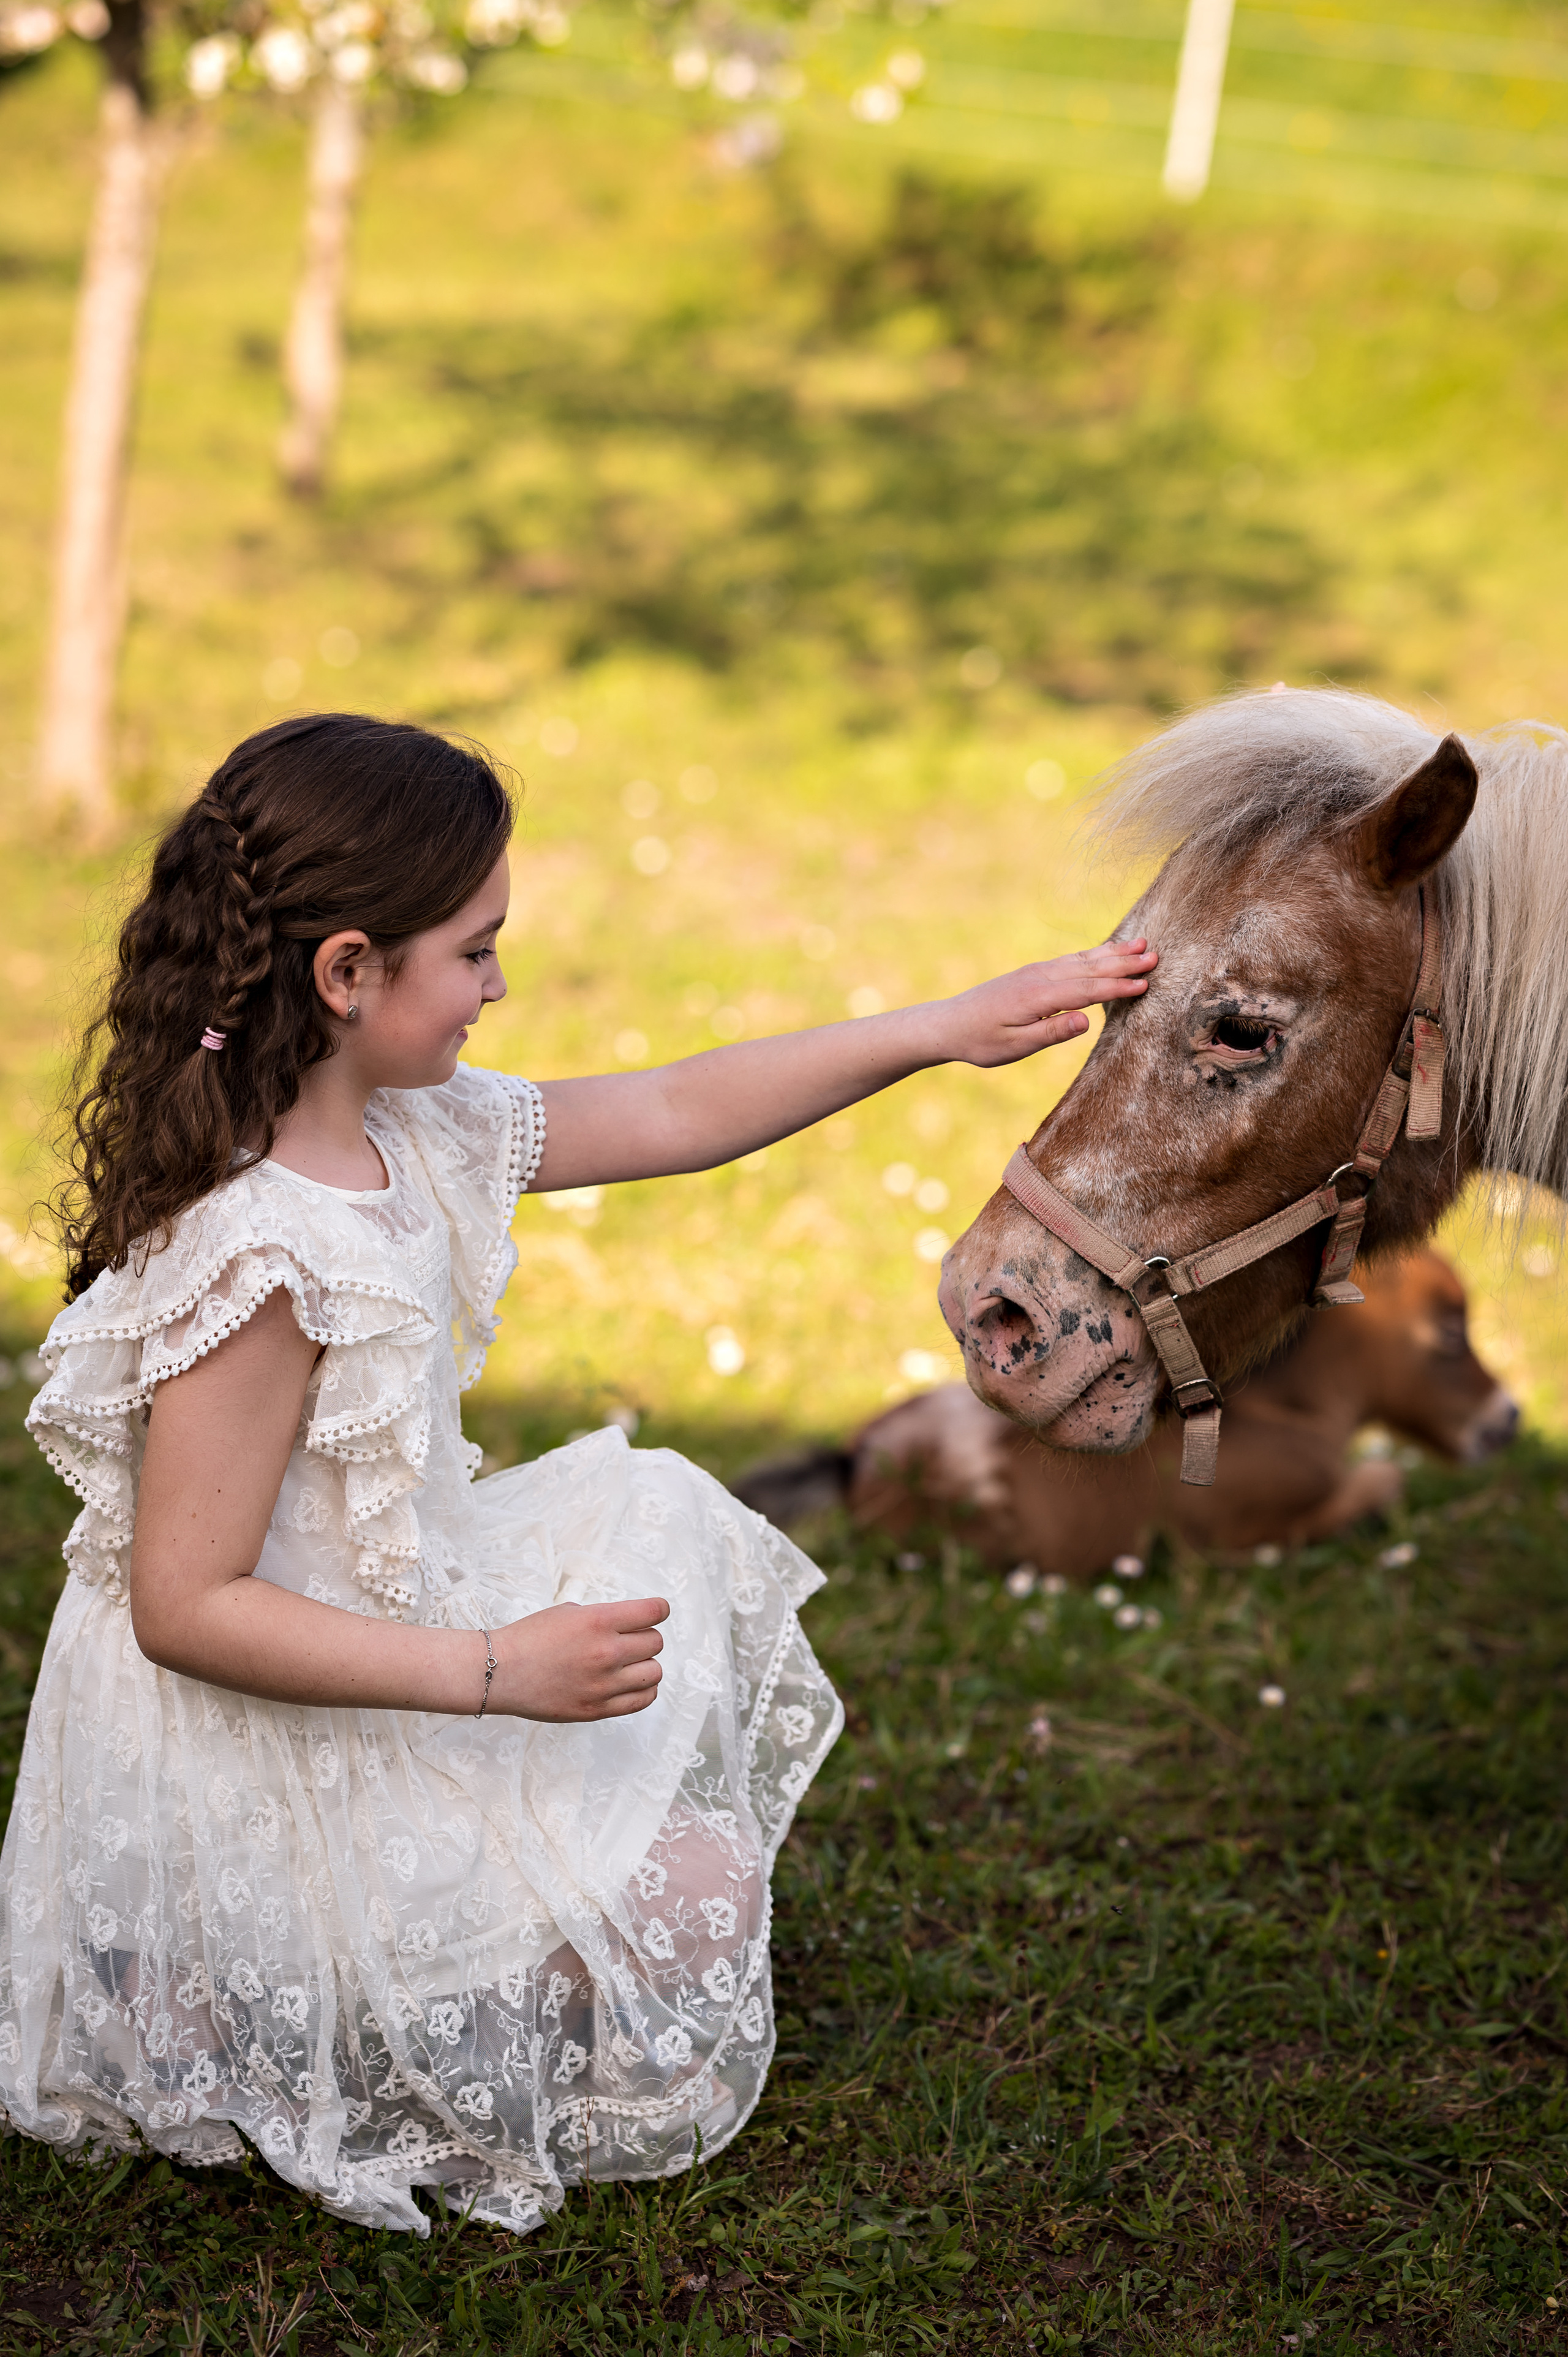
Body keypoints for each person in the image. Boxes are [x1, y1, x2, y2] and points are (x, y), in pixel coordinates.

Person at [0, 713, 1156, 2238]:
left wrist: (936, 1026)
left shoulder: (407, 1122)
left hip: (386, 1614)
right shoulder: (263, 1255)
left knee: (683, 1872)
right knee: (687, 1909)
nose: (500, 986)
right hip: (267, 1718)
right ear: (347, 973)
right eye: (473, 953)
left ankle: (287, 1976)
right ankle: (198, 1975)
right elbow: (183, 1604)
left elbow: (674, 1106)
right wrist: (493, 1671)